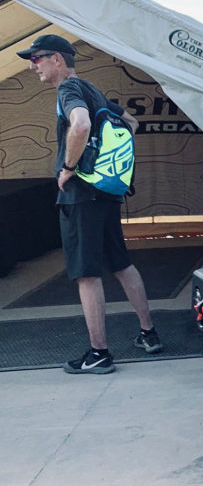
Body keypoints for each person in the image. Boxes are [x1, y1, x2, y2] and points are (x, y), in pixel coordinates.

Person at [17, 35, 161, 374]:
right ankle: (148, 334)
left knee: (86, 273)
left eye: (36, 58)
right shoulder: (91, 89)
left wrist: (69, 168)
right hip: (107, 191)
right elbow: (132, 123)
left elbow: (79, 125)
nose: (31, 65)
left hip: (81, 194)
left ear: (57, 59)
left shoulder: (68, 90)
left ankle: (99, 353)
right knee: (121, 264)